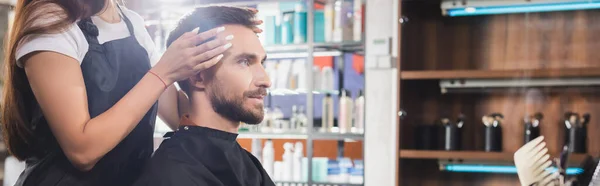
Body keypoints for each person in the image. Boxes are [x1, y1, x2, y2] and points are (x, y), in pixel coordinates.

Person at [1, 0, 261, 185]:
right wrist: (163, 72)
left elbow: (182, 115)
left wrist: (228, 28)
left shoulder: (131, 23)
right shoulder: (49, 20)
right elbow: (82, 151)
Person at [134, 6, 275, 186]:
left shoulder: (247, 165)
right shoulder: (174, 173)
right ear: (198, 77)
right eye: (244, 62)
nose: (266, 80)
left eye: (261, 62)